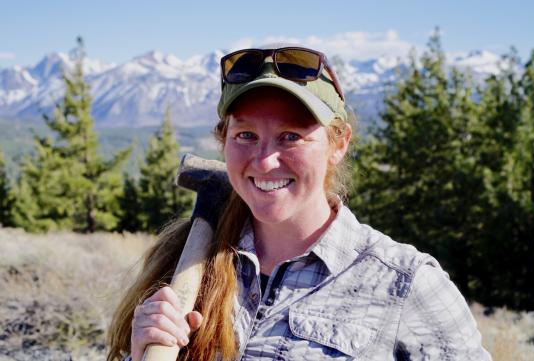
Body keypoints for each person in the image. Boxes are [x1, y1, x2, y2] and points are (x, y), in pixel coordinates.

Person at [107, 44, 492, 361]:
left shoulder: (405, 285)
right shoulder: (184, 266)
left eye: (291, 136)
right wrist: (141, 354)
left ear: (338, 144)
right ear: (223, 141)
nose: (264, 160)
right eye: (245, 135)